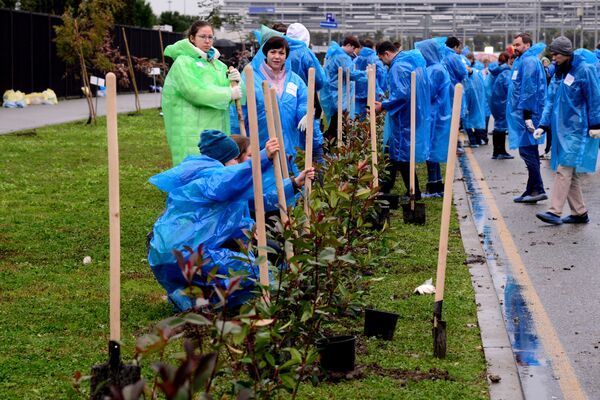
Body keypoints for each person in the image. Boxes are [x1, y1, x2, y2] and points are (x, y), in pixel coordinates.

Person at [147, 130, 314, 311]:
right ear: (223, 159)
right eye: (235, 158)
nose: (237, 163)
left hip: (163, 256)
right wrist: (263, 157)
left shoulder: (199, 178)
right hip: (189, 255)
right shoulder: (212, 179)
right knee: (256, 273)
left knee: (250, 261)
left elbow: (260, 198)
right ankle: (207, 303)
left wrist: (294, 183)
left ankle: (190, 300)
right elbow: (232, 178)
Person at [534, 37, 600, 225]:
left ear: (566, 53)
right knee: (571, 172)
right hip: (561, 129)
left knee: (564, 168)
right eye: (552, 53)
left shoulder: (584, 70)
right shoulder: (559, 73)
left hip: (578, 129)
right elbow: (550, 100)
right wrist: (543, 125)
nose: (553, 57)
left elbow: (595, 98)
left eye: (556, 54)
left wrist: (596, 124)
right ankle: (580, 212)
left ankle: (554, 211)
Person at [232, 36, 323, 172]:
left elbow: (304, 102)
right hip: (261, 145)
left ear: (286, 56)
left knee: (292, 184)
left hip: (291, 145)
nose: (277, 57)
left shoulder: (295, 80)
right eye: (273, 52)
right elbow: (239, 114)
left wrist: (305, 114)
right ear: (266, 53)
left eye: (281, 53)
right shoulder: (251, 79)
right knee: (265, 186)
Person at [162, 20, 243, 165]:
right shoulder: (183, 62)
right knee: (193, 171)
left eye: (210, 37)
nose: (207, 41)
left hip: (217, 128)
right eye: (202, 37)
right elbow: (194, 91)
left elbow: (231, 96)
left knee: (216, 171)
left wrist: (236, 83)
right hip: (192, 129)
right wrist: (229, 93)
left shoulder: (218, 65)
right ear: (192, 38)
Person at [374, 41, 431, 200]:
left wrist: (383, 105)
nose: (382, 63)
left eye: (381, 58)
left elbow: (402, 95)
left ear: (386, 53)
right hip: (412, 113)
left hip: (403, 117)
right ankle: (388, 187)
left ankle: (414, 192)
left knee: (401, 153)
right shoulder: (409, 61)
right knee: (397, 153)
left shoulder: (398, 67)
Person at [507, 33, 547, 204]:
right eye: (514, 45)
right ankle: (531, 190)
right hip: (523, 113)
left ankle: (538, 189)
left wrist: (527, 114)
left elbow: (529, 89)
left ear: (528, 45)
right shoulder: (522, 60)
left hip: (526, 114)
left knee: (527, 152)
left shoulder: (529, 61)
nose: (515, 47)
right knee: (530, 152)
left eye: (518, 44)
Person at [415, 37, 451, 197]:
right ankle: (436, 184)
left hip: (434, 114)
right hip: (436, 113)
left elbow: (428, 92)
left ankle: (434, 186)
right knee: (433, 150)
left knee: (430, 150)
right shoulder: (436, 67)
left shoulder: (434, 70)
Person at [320, 36, 367, 146]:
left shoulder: (334, 53)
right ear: (349, 45)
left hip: (333, 92)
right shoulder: (342, 57)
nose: (354, 52)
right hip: (339, 93)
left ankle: (332, 144)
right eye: (354, 49)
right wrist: (365, 74)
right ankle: (325, 145)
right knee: (338, 122)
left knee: (337, 121)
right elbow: (350, 73)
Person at [285, 23, 327, 127]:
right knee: (308, 132)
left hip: (283, 98)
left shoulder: (280, 50)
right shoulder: (305, 53)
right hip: (305, 98)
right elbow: (320, 80)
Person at [442, 37, 469, 155]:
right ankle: (455, 146)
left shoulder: (441, 56)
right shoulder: (454, 57)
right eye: (460, 47)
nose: (460, 50)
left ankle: (450, 145)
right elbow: (463, 73)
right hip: (454, 92)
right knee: (454, 120)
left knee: (446, 120)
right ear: (455, 47)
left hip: (444, 93)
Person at [486, 52, 514, 159]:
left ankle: (496, 152)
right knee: (501, 127)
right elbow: (508, 88)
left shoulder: (495, 71)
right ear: (508, 60)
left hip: (495, 102)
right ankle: (500, 151)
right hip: (503, 102)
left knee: (498, 126)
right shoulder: (506, 72)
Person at [354, 38, 387, 120]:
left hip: (357, 94)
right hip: (373, 92)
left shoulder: (356, 60)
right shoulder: (376, 59)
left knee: (357, 117)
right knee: (372, 119)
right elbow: (382, 77)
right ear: (373, 47)